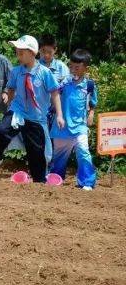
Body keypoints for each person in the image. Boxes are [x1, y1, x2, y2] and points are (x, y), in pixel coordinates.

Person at [0, 35, 64, 183]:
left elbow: (55, 93)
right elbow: (12, 89)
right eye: (17, 52)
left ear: (32, 53)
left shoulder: (44, 73)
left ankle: (39, 180)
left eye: (21, 52)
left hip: (36, 117)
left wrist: (59, 115)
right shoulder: (16, 71)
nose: (18, 55)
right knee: (1, 131)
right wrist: (9, 107)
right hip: (18, 111)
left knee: (37, 155)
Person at [51, 49, 98, 190]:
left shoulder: (89, 85)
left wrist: (91, 115)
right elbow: (54, 94)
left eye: (77, 67)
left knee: (84, 153)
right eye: (71, 66)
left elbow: (93, 103)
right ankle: (56, 178)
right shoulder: (64, 82)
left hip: (80, 127)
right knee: (59, 157)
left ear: (85, 68)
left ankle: (87, 182)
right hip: (61, 126)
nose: (73, 70)